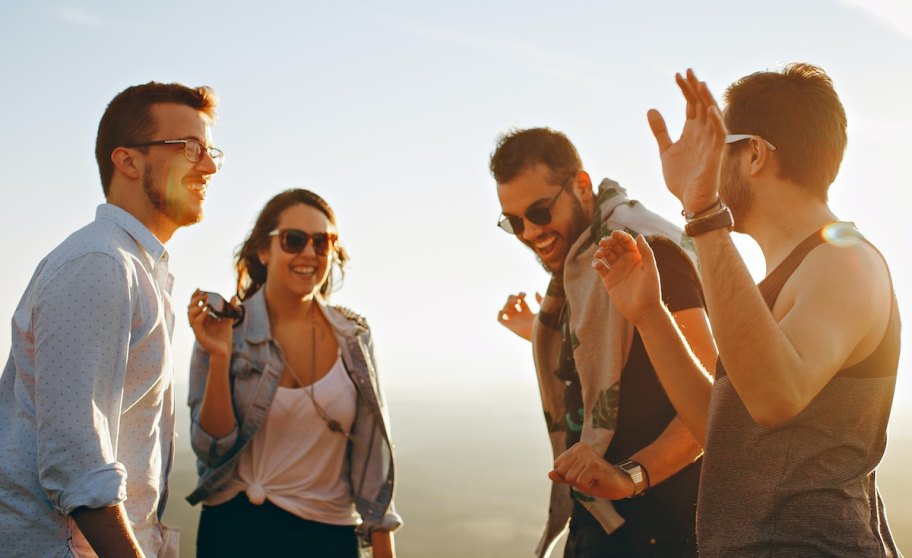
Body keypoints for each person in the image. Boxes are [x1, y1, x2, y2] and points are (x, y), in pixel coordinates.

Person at [568, 65, 901, 556]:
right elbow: (727, 433)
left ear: (755, 154)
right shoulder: (784, 277)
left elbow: (774, 397)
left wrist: (702, 213)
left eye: (716, 150)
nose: (708, 167)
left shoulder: (844, 260)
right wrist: (650, 316)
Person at [0, 82, 222, 557]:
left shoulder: (137, 268)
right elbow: (79, 465)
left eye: (210, 150)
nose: (208, 165)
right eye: (189, 148)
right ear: (128, 160)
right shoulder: (100, 263)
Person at [491, 128, 717, 557]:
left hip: (660, 530)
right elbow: (619, 362)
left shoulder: (646, 252)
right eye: (513, 221)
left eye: (539, 212)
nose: (528, 232)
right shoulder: (581, 266)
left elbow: (710, 404)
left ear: (580, 185)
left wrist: (630, 477)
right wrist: (541, 332)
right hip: (602, 523)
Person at [185, 188, 401, 558]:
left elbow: (372, 464)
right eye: (294, 240)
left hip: (328, 538)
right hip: (233, 534)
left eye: (322, 242)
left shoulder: (354, 338)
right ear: (263, 250)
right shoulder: (225, 329)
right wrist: (219, 357)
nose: (308, 254)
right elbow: (212, 449)